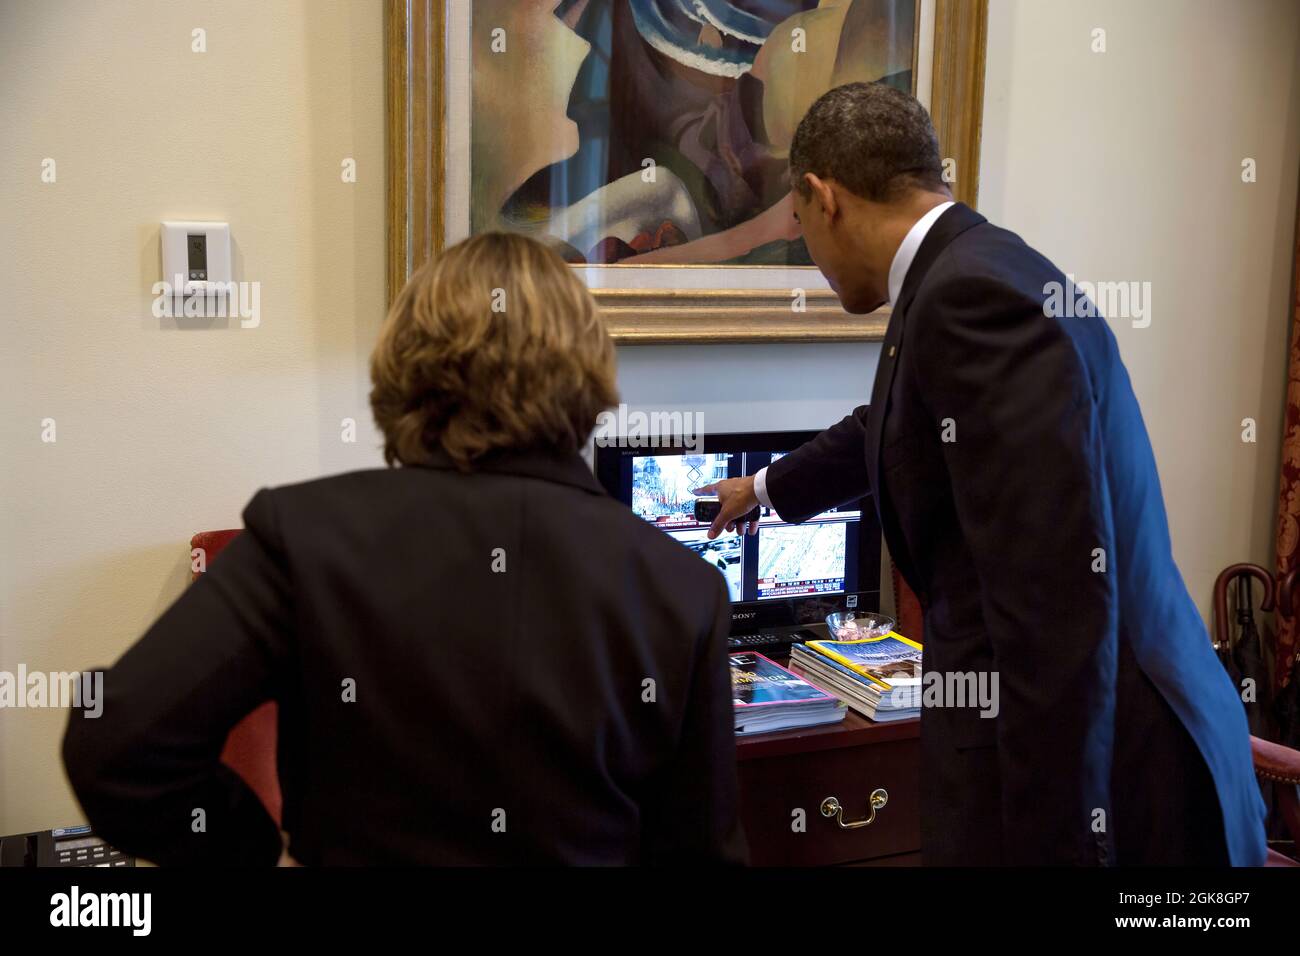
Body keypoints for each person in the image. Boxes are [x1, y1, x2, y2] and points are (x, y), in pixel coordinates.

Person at [698, 82, 1267, 866]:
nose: (808, 255)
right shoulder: (972, 269)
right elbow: (898, 421)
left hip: (1115, 779)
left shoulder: (970, 297)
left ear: (820, 197)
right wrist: (761, 489)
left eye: (798, 228)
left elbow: (1055, 615)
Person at [63, 232, 747, 866]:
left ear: (405, 365)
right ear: (591, 372)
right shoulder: (681, 586)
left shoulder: (304, 536)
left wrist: (252, 845)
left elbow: (116, 745)